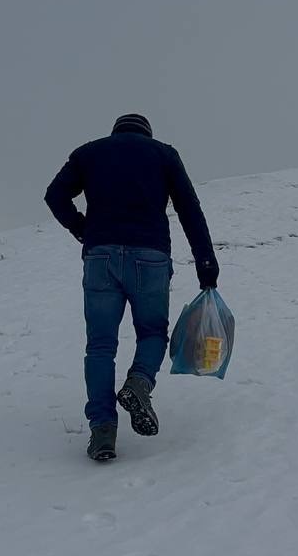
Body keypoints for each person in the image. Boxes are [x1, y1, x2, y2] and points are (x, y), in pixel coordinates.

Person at [44, 113, 219, 461]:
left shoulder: (89, 153)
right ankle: (139, 382)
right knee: (152, 332)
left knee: (100, 345)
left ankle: (102, 430)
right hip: (150, 257)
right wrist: (206, 263)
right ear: (147, 134)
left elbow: (55, 195)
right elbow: (189, 209)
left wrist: (82, 228)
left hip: (101, 257)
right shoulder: (163, 154)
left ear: (115, 132)